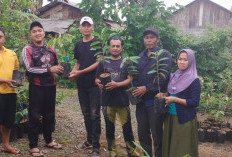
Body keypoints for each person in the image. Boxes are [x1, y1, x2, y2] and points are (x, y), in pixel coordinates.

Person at [22, 21, 63, 157]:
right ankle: (33, 145)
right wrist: (49, 69)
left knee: (49, 115)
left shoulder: (51, 49)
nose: (37, 33)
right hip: (37, 87)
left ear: (44, 33)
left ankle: (48, 140)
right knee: (34, 116)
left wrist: (64, 72)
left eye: (40, 30)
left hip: (51, 86)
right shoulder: (28, 49)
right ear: (31, 34)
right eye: (34, 31)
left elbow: (56, 66)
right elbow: (29, 68)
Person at [95, 36, 140, 157]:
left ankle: (131, 150)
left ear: (121, 47)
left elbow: (130, 79)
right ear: (108, 47)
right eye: (112, 46)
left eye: (117, 46)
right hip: (107, 100)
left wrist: (117, 84)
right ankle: (111, 150)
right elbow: (97, 77)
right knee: (109, 127)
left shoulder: (127, 62)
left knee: (127, 127)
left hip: (122, 100)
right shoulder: (103, 62)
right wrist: (97, 82)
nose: (115, 48)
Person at [132, 27, 172, 157]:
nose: (149, 40)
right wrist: (136, 88)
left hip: (155, 101)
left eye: (152, 37)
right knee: (143, 132)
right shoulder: (140, 56)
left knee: (157, 133)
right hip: (141, 101)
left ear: (157, 39)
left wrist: (147, 88)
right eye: (146, 37)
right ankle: (146, 154)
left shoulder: (164, 55)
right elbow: (136, 76)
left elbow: (163, 77)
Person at [69, 16, 102, 157]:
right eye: (84, 25)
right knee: (86, 113)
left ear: (93, 27)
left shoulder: (98, 42)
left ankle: (96, 147)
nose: (87, 27)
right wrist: (73, 72)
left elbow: (99, 63)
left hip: (94, 83)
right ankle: (89, 140)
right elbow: (78, 62)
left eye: (89, 25)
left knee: (95, 114)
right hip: (81, 84)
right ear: (80, 28)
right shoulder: (78, 45)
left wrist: (81, 71)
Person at [162, 49, 200, 157]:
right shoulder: (174, 76)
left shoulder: (194, 80)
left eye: (185, 60)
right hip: (170, 117)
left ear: (191, 62)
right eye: (180, 59)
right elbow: (171, 92)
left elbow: (194, 102)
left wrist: (175, 100)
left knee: (181, 148)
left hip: (183, 120)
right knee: (171, 146)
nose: (182, 62)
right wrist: (164, 95)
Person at [0, 27, 21, 154]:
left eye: (0, 36)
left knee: (7, 121)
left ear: (4, 38)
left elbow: (16, 70)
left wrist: (18, 81)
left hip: (10, 93)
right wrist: (4, 81)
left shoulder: (12, 53)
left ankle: (6, 145)